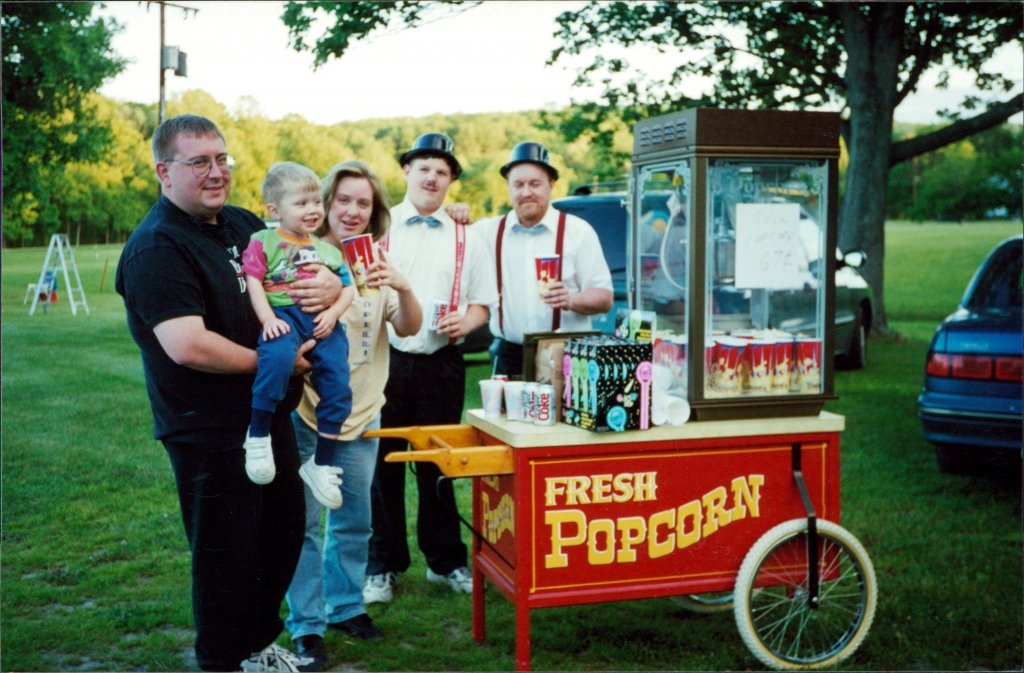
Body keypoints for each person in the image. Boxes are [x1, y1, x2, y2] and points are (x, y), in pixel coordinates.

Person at [115, 114, 341, 673]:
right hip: (206, 428)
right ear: (164, 172)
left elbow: (307, 262)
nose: (216, 173)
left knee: (282, 535)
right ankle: (222, 658)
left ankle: (257, 646)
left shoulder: (242, 224)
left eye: (222, 159)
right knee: (226, 556)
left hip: (264, 419)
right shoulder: (156, 247)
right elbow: (188, 345)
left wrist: (333, 284)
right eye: (200, 162)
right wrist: (281, 365)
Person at [284, 160, 423, 669]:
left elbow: (409, 329)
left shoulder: (376, 265)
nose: (352, 210)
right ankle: (307, 625)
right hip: (307, 413)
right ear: (325, 205)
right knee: (305, 523)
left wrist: (403, 286)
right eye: (343, 199)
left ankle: (345, 608)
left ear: (374, 212)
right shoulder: (301, 258)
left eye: (363, 203)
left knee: (354, 521)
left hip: (363, 415)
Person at [364, 133, 497, 603]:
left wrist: (470, 319)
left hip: (442, 361)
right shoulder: (380, 226)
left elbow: (484, 303)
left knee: (439, 464)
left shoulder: (468, 234)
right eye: (424, 168)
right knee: (382, 465)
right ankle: (382, 565)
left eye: (442, 171)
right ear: (406, 172)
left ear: (451, 181)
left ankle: (445, 562)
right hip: (386, 359)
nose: (432, 177)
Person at [242, 162, 356, 510]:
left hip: (323, 322)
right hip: (284, 318)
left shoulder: (329, 251)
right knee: (276, 359)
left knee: (338, 382)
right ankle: (258, 436)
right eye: (301, 203)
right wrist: (267, 319)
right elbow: (253, 282)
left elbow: (350, 288)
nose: (312, 210)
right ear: (274, 210)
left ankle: (321, 463)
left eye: (316, 202)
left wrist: (333, 313)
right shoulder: (263, 241)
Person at [476, 142, 614, 377]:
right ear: (508, 188)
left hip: (565, 352)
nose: (526, 192)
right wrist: (454, 212)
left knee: (562, 415)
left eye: (535, 184)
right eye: (518, 184)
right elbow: (451, 237)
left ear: (551, 185)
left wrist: (571, 298)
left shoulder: (578, 231)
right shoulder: (488, 231)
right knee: (503, 415)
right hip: (509, 354)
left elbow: (604, 298)